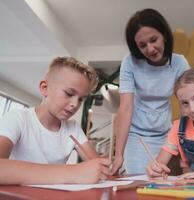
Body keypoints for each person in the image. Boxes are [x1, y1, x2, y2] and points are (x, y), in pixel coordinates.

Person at [0, 57, 111, 185]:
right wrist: (73, 173)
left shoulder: (73, 128)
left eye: (81, 99)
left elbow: (99, 168)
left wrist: (105, 166)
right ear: (44, 88)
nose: (75, 104)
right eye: (69, 93)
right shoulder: (18, 118)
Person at [110, 8, 189, 174]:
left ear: (165, 35)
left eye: (154, 40)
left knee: (161, 181)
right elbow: (125, 107)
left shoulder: (179, 63)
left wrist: (184, 142)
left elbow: (186, 105)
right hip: (135, 134)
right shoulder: (130, 63)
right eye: (142, 45)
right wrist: (118, 154)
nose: (150, 49)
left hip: (165, 134)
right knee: (137, 179)